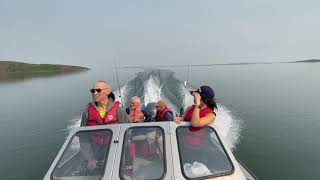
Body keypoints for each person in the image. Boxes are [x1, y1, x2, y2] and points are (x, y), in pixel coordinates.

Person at [80, 81, 128, 173]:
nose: (95, 93)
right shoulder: (87, 112)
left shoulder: (119, 111)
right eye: (92, 91)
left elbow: (127, 133)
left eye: (98, 90)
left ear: (108, 91)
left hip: (115, 149)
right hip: (95, 151)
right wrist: (90, 158)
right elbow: (83, 137)